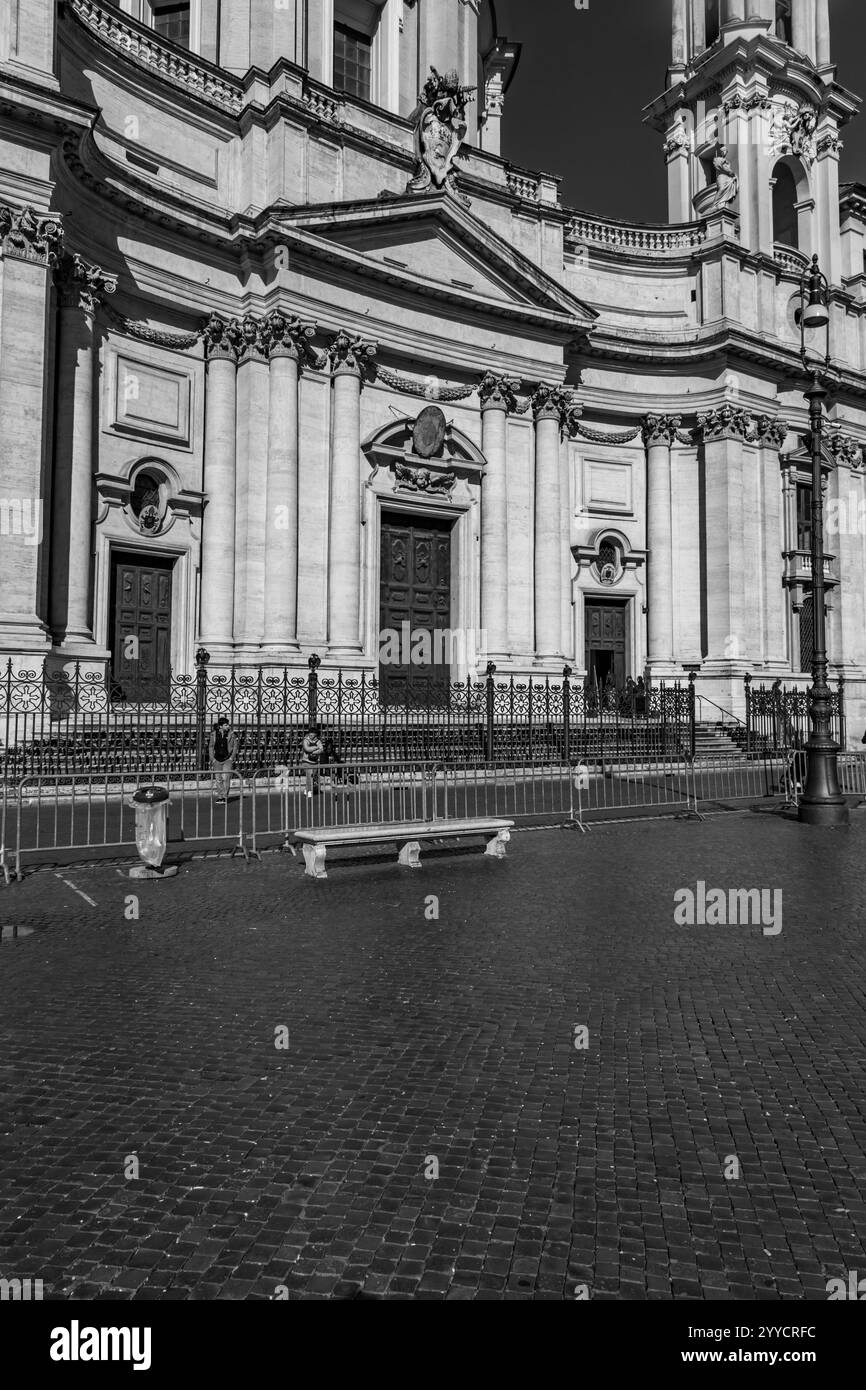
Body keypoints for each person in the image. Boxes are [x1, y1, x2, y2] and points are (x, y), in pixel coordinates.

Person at [209, 716, 237, 803]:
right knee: (218, 779)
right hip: (217, 759)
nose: (228, 726)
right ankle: (220, 796)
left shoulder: (231, 734)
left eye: (228, 725)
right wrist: (212, 759)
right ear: (220, 726)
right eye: (226, 725)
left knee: (226, 778)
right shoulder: (213, 734)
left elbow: (235, 746)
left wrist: (232, 757)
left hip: (227, 759)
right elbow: (211, 746)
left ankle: (225, 796)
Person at [300, 724, 324, 798]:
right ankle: (309, 791)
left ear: (315, 734)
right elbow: (307, 749)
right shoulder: (305, 740)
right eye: (310, 733)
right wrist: (316, 747)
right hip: (306, 761)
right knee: (309, 776)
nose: (311, 734)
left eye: (313, 733)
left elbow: (321, 750)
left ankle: (306, 789)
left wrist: (313, 752)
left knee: (312, 776)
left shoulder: (318, 741)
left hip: (314, 762)